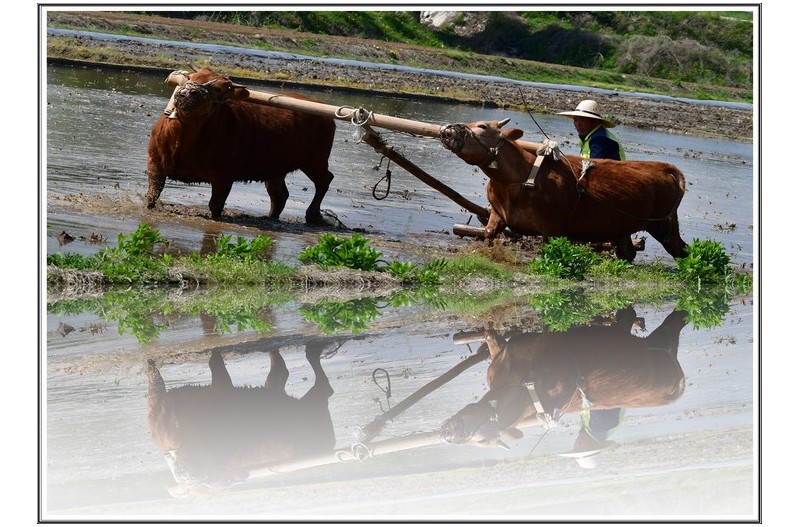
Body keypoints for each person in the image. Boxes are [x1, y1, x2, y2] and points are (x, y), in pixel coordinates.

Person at [558, 99, 626, 161]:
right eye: (575, 120)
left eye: (582, 120)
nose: (578, 124)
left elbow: (594, 168)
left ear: (595, 121)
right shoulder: (591, 136)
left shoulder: (601, 141)